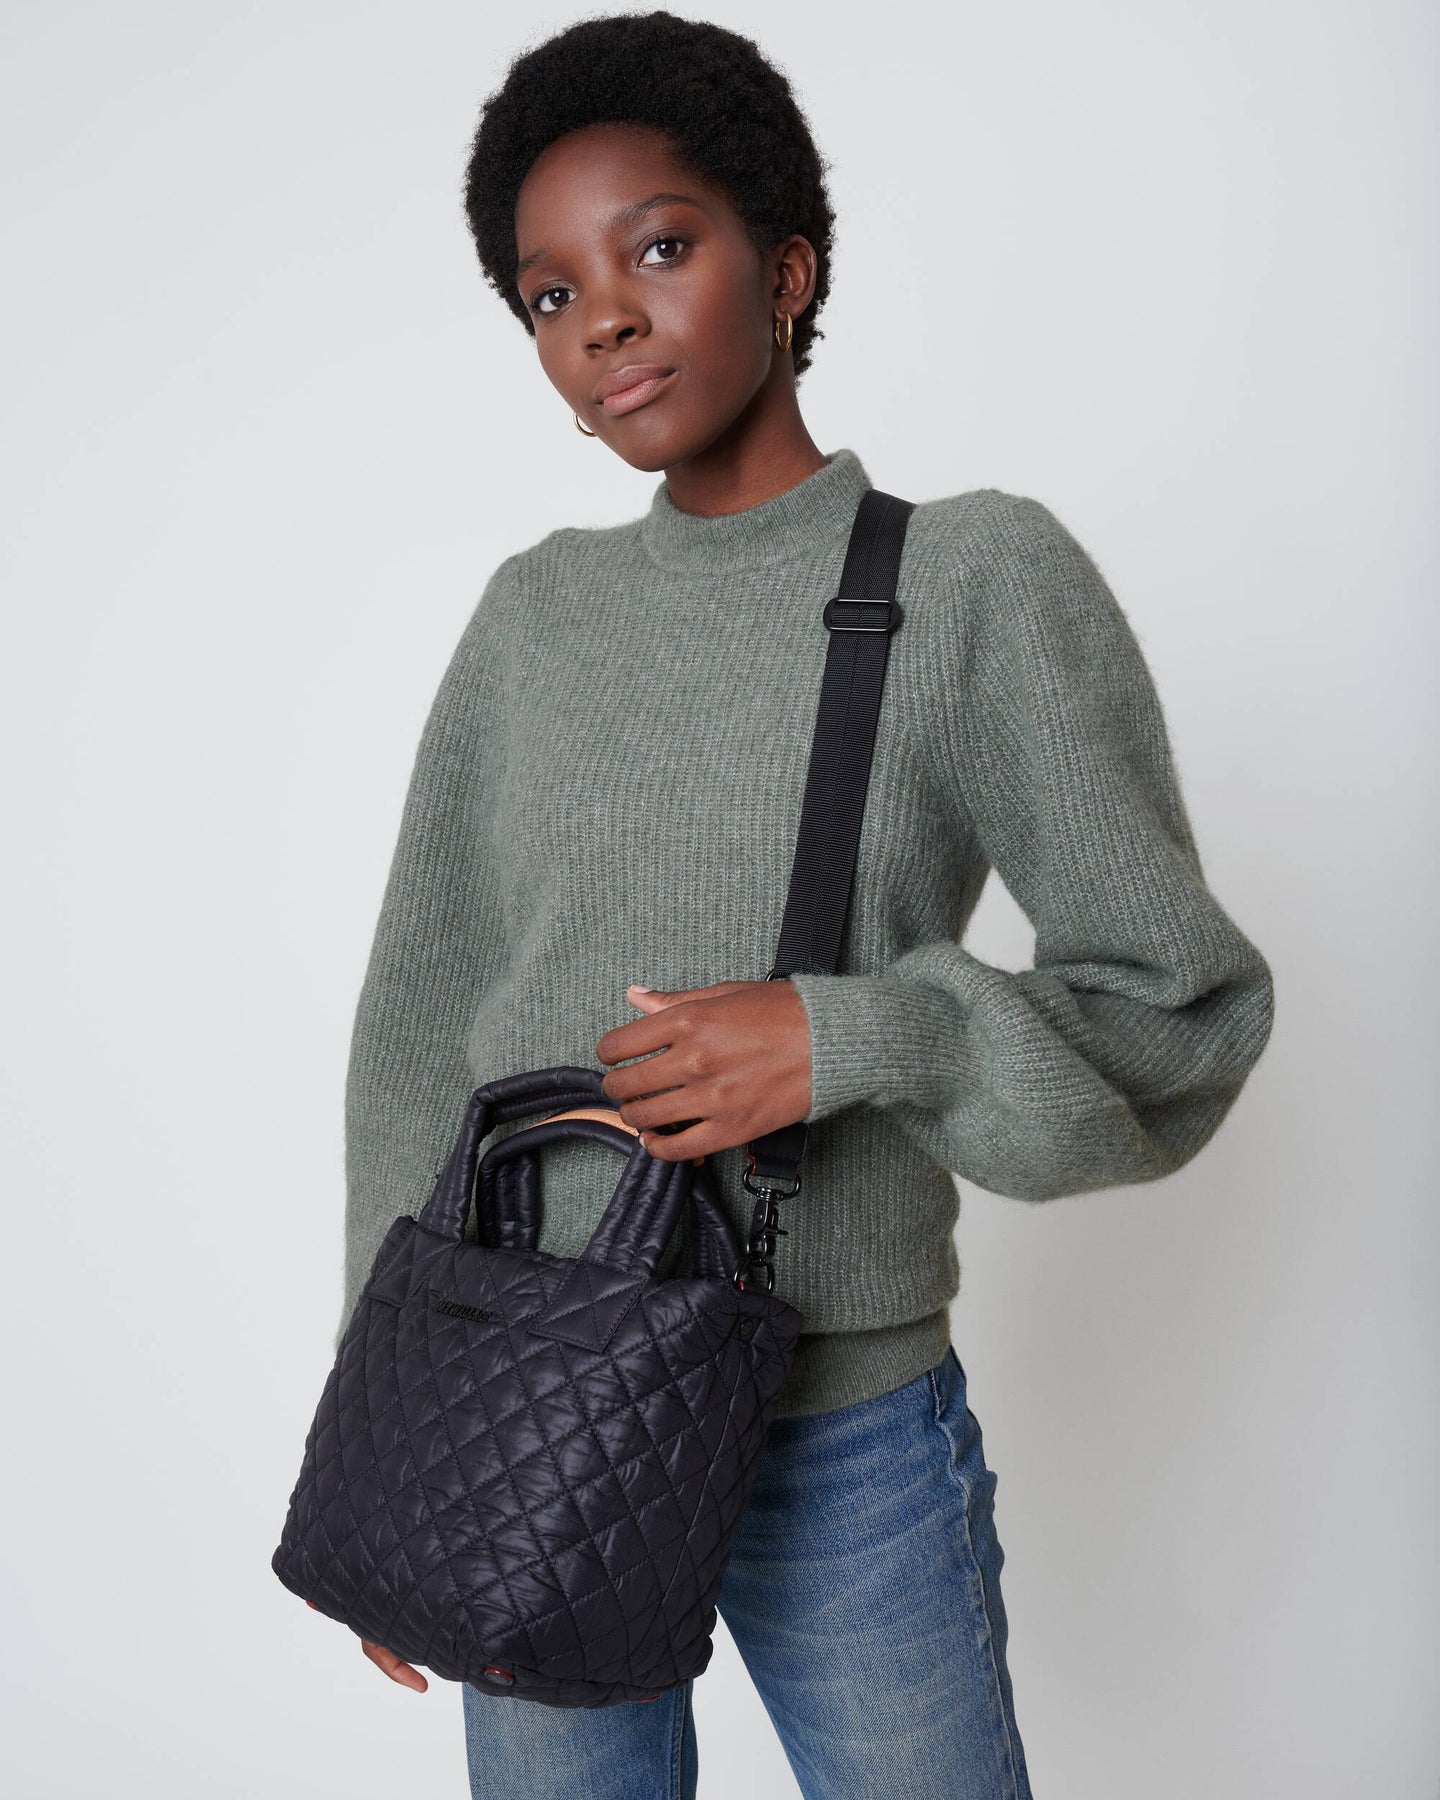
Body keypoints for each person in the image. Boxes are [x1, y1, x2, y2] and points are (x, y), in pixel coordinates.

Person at [334, 12, 1275, 1798]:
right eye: (549, 295)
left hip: (839, 1427)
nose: (603, 321)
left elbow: (1179, 1012)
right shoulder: (532, 618)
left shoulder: (972, 580)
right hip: (519, 1414)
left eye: (658, 248)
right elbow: (416, 1031)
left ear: (788, 267)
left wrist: (861, 1036)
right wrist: (393, 1411)